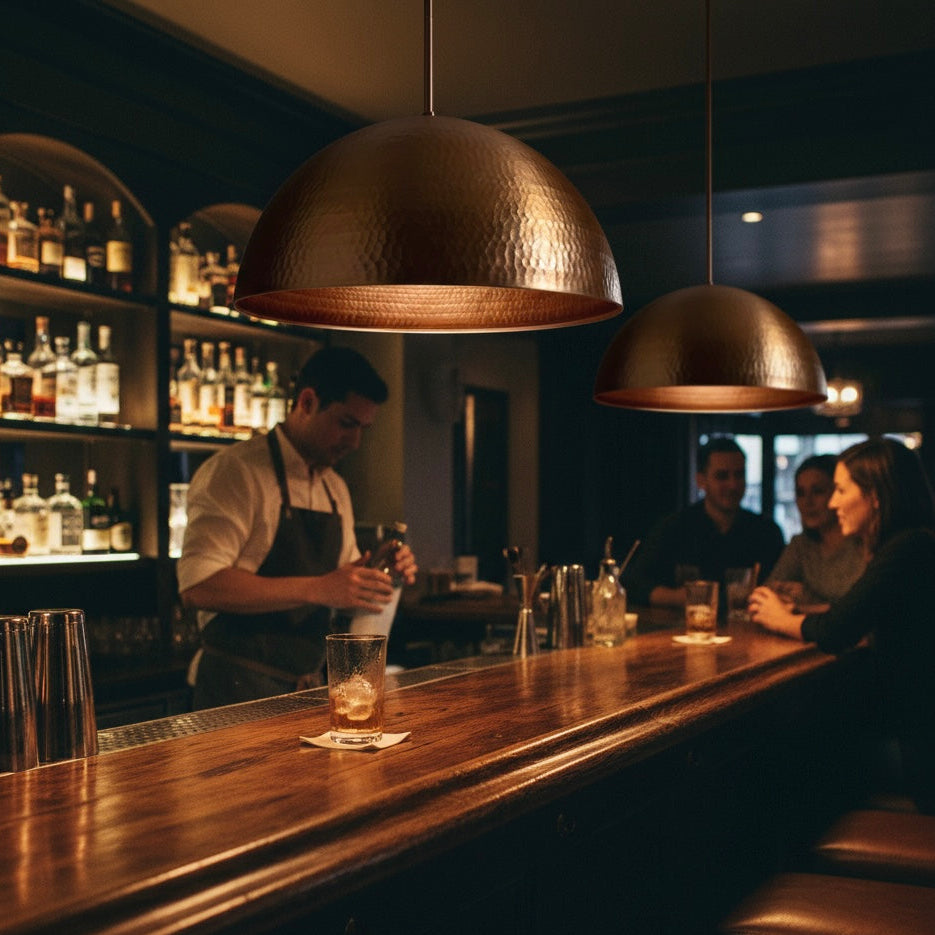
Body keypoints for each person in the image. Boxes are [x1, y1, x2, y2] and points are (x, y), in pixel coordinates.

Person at [178, 346, 418, 709]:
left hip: (308, 689)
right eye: (346, 424)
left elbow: (343, 590)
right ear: (307, 402)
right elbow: (199, 586)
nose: (355, 442)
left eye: (363, 429)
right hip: (235, 692)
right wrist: (318, 588)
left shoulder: (334, 488)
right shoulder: (236, 472)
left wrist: (380, 571)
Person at [749, 438, 935, 812]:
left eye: (840, 490)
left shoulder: (908, 547)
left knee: (780, 752)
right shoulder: (910, 544)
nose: (833, 504)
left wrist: (780, 618)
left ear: (875, 496)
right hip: (909, 727)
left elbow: (836, 630)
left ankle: (798, 846)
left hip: (918, 746)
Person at [623, 436, 785, 608]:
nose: (733, 485)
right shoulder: (675, 527)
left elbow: (782, 589)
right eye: (722, 476)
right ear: (701, 480)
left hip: (749, 623)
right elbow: (632, 583)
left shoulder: (766, 532)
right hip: (685, 623)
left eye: (739, 475)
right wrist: (678, 598)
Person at [764, 454, 866, 613]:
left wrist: (809, 601)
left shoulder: (863, 543)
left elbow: (862, 608)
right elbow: (768, 592)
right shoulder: (802, 545)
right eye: (801, 493)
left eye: (818, 491)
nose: (808, 502)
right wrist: (781, 593)